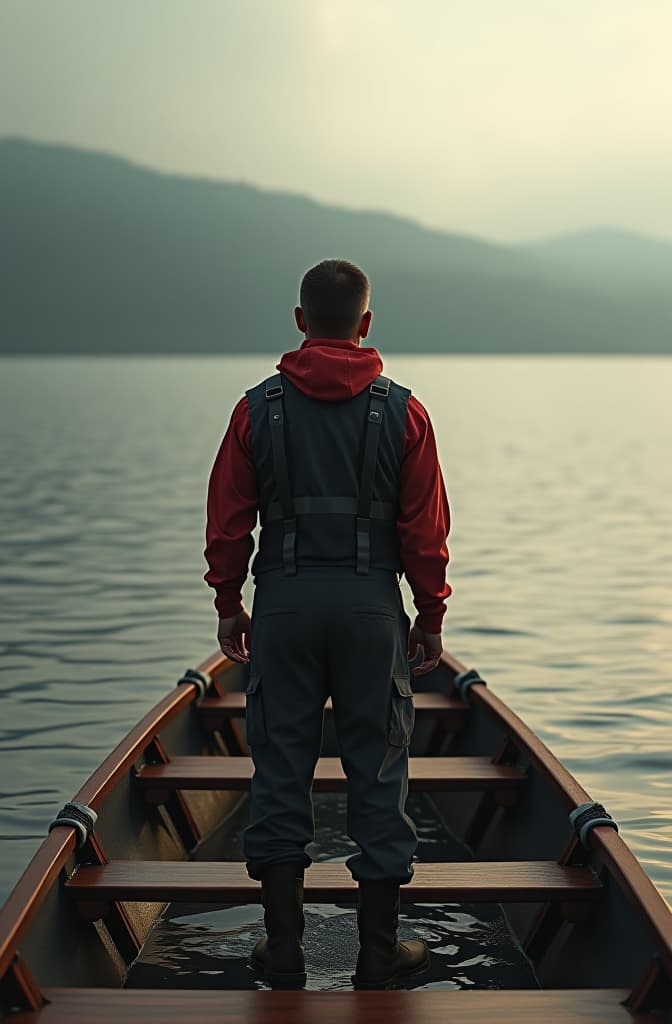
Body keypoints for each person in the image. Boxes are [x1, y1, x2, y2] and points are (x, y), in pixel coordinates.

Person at [203, 259, 451, 989]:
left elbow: (226, 525)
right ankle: (377, 952)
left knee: (280, 767)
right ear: (366, 324)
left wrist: (228, 603)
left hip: (281, 611)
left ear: (301, 321)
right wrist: (430, 615)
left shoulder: (255, 410)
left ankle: (283, 951)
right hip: (373, 611)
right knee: (379, 769)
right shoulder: (405, 413)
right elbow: (425, 533)